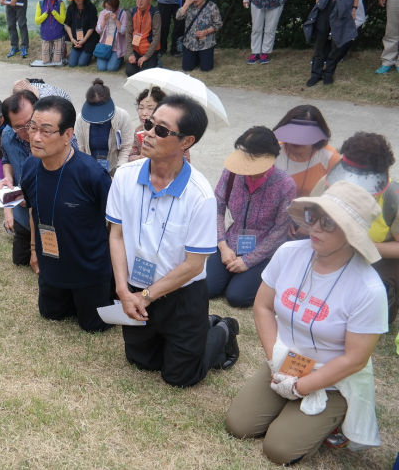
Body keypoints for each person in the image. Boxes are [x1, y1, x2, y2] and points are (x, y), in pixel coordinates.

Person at [225, 181, 388, 465]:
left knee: (278, 449)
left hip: (333, 378)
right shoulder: (289, 253)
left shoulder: (368, 289)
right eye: (313, 216)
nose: (314, 228)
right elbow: (262, 306)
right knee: (239, 425)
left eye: (328, 222)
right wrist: (275, 359)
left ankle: (339, 414)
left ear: (351, 233)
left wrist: (302, 387)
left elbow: (354, 359)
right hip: (284, 362)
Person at [106, 95, 239, 387]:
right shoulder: (125, 176)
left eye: (162, 130)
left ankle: (222, 331)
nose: (149, 133)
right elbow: (115, 234)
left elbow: (193, 266)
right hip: (136, 286)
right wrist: (123, 289)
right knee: (141, 362)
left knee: (180, 377)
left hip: (182, 294)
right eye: (150, 124)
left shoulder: (201, 195)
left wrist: (146, 296)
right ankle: (191, 334)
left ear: (186, 142)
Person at [20, 96, 114, 332]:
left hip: (89, 269)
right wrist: (33, 250)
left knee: (94, 327)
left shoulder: (91, 174)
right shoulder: (31, 167)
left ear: (68, 135)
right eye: (33, 127)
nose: (36, 137)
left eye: (46, 130)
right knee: (50, 315)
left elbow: (115, 224)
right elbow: (33, 211)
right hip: (51, 266)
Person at [309, 132, 399, 324]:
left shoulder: (393, 196)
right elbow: (308, 219)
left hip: (375, 264)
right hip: (331, 255)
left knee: (365, 308)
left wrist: (358, 243)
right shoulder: (327, 184)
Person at [206, 126, 296, 307]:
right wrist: (223, 246)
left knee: (236, 297)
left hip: (264, 251)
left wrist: (248, 261)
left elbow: (280, 231)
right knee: (207, 288)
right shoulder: (231, 174)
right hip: (230, 244)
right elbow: (217, 208)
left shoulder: (285, 185)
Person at [1, 90, 38, 267]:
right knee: (20, 261)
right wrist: (8, 178)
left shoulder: (54, 135)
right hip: (23, 208)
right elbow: (7, 159)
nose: (27, 130)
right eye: (19, 127)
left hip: (50, 213)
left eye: (30, 122)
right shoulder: (8, 136)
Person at [272, 105, 340, 199]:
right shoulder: (272, 150)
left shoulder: (330, 158)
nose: (297, 141)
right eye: (293, 134)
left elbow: (337, 194)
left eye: (304, 136)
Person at [74, 78, 134, 176]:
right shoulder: (80, 119)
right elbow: (79, 149)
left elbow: (126, 147)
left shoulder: (123, 117)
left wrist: (119, 171)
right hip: (89, 169)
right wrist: (86, 171)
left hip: (115, 168)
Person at [176, 0, 223, 72]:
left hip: (206, 43)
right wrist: (186, 4)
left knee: (206, 68)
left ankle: (201, 58)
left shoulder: (212, 6)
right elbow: (178, 17)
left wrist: (206, 31)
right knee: (187, 68)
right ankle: (195, 58)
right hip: (189, 43)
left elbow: (218, 24)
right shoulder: (189, 6)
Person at [125, 0, 161, 77]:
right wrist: (130, 54)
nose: (139, 1)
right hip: (136, 50)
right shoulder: (131, 12)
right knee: (130, 72)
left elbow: (156, 37)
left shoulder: (155, 13)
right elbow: (128, 34)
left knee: (146, 73)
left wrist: (146, 56)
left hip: (149, 50)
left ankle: (156, 61)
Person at [64, 0, 98, 67]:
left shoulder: (91, 8)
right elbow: (67, 24)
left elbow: (92, 27)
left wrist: (84, 40)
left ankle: (91, 52)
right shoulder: (71, 8)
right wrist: (72, 39)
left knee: (82, 63)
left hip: (89, 39)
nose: (78, 0)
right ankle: (80, 52)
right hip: (76, 39)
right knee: (71, 64)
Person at [128, 86, 166, 163]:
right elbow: (131, 156)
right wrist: (139, 157)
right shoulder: (139, 130)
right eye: (141, 108)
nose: (144, 113)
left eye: (150, 108)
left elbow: (184, 160)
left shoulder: (168, 132)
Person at [34, 0, 66, 65]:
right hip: (45, 36)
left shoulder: (60, 3)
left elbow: (62, 20)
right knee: (46, 61)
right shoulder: (40, 4)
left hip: (58, 35)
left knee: (57, 62)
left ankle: (61, 54)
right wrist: (46, 13)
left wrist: (53, 12)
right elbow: (37, 21)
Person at [95, 0, 129, 72]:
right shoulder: (103, 13)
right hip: (105, 45)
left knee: (111, 68)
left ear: (115, 6)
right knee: (101, 68)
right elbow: (98, 30)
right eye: (106, 7)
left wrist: (116, 20)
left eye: (110, 8)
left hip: (117, 47)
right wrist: (104, 20)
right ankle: (110, 58)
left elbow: (123, 32)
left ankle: (119, 58)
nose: (108, 9)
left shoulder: (122, 13)